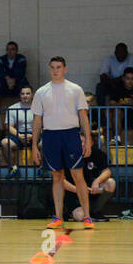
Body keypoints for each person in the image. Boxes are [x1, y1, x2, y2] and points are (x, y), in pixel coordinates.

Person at [31, 56, 94, 230]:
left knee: (77, 175)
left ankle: (87, 216)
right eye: (52, 67)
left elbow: (83, 116)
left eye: (58, 67)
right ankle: (58, 217)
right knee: (57, 177)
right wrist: (34, 145)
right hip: (50, 136)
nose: (55, 70)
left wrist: (88, 140)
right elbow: (37, 120)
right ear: (49, 69)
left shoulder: (75, 89)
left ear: (65, 69)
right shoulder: (41, 92)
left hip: (71, 134)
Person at [62, 143, 115, 222]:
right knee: (80, 216)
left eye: (85, 141)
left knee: (111, 183)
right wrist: (80, 190)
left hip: (91, 189)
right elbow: (61, 181)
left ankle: (95, 211)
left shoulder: (95, 152)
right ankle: (71, 212)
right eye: (80, 141)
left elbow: (107, 171)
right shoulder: (67, 154)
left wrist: (97, 181)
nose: (82, 144)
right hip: (73, 192)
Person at [0, 86, 34, 166]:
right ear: (20, 95)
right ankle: (13, 168)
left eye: (28, 93)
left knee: (46, 142)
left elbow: (44, 126)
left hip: (35, 134)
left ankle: (43, 169)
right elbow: (9, 126)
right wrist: (19, 136)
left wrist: (33, 135)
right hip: (18, 134)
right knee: (5, 143)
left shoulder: (39, 107)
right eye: (22, 94)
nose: (25, 96)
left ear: (32, 95)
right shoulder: (12, 108)